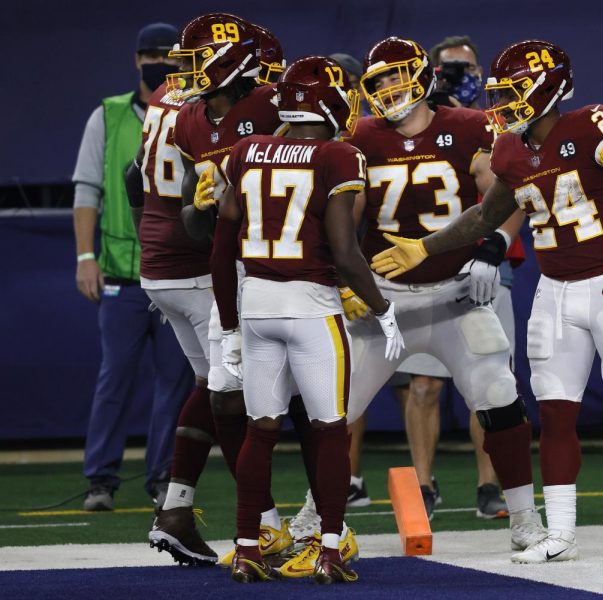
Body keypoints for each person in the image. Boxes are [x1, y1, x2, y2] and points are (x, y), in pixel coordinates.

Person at [371, 39, 603, 563]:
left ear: (548, 87)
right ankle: (560, 532)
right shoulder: (511, 150)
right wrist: (424, 246)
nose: (506, 103)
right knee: (556, 414)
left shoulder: (589, 125)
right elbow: (484, 217)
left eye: (516, 91)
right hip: (554, 293)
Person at [302, 36, 546, 556]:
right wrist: (345, 277)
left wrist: (494, 245)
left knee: (501, 396)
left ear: (423, 75)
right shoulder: (361, 136)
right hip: (385, 300)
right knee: (334, 410)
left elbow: (509, 189)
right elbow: (344, 214)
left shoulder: (467, 126)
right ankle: (313, 516)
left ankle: (525, 516)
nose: (389, 87)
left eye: (396, 75)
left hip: (457, 295)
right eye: (380, 80)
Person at [208, 55, 398, 584]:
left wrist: (228, 325)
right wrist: (382, 308)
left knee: (260, 430)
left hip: (258, 304)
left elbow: (222, 247)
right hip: (311, 306)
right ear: (329, 102)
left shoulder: (246, 151)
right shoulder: (339, 155)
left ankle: (247, 545)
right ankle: (329, 549)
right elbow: (343, 249)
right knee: (331, 432)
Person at [144, 14, 295, 567]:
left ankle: (184, 508)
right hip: (231, 273)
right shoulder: (190, 120)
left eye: (191, 60)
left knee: (232, 392)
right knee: (235, 397)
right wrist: (204, 208)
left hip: (263, 269)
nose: (179, 73)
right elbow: (192, 214)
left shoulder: (270, 106)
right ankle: (270, 525)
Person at [73, 22, 194, 512]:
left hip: (175, 269)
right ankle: (101, 478)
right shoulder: (109, 115)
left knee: (175, 380)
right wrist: (85, 257)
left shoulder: (190, 113)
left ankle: (162, 474)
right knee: (114, 378)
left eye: (168, 55)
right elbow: (87, 190)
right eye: (151, 55)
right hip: (124, 271)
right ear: (136, 60)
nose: (158, 63)